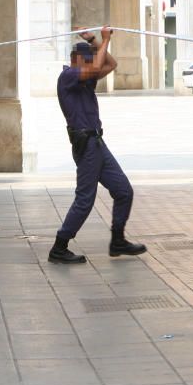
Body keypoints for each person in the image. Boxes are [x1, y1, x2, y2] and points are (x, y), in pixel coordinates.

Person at [48, 26, 146, 264]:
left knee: (123, 190)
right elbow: (94, 67)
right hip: (86, 144)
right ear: (77, 60)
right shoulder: (68, 76)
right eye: (89, 58)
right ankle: (60, 246)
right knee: (85, 198)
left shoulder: (85, 78)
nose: (93, 62)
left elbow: (111, 65)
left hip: (97, 142)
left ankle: (118, 240)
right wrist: (104, 41)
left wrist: (95, 40)